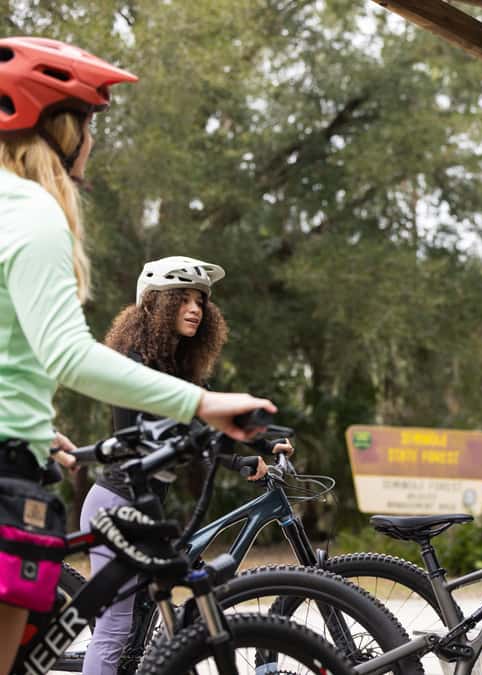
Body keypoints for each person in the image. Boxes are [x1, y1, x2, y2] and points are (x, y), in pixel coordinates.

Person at [0, 37, 274, 675]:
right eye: (90, 122)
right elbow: (67, 355)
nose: (92, 140)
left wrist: (34, 425)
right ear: (61, 128)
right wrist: (205, 404)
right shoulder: (33, 211)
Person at [79, 257, 294, 673]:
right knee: (115, 626)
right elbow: (150, 439)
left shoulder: (177, 369)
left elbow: (210, 421)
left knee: (157, 615)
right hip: (116, 504)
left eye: (200, 301)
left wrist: (264, 439)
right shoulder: (134, 364)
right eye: (183, 299)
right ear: (156, 305)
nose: (195, 308)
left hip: (146, 507)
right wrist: (235, 459)